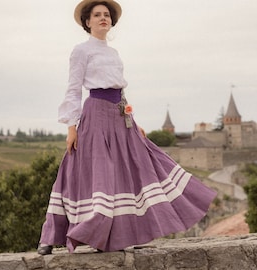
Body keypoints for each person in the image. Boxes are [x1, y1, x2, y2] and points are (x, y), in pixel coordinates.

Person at [37, 0, 217, 255]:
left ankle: (125, 233)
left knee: (136, 166)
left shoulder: (114, 53)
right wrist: (71, 126)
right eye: (97, 15)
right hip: (96, 113)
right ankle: (51, 236)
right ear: (87, 22)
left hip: (120, 115)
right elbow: (73, 88)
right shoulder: (81, 51)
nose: (103, 18)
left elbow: (119, 91)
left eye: (107, 15)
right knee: (87, 171)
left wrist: (134, 120)